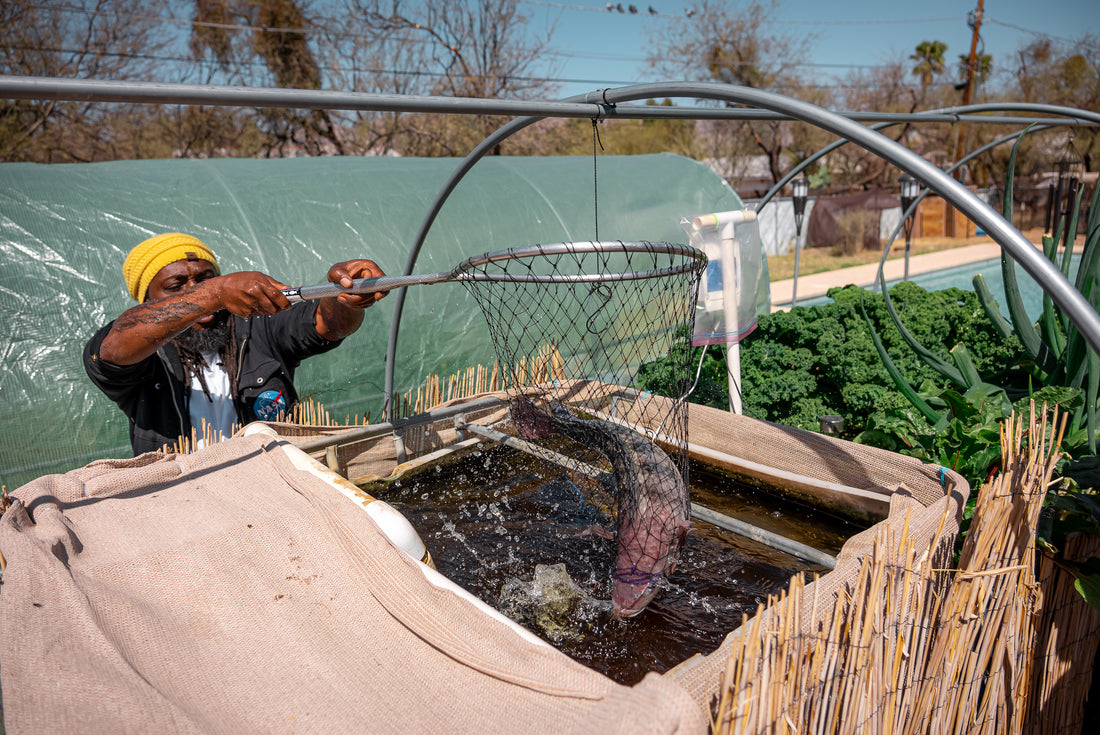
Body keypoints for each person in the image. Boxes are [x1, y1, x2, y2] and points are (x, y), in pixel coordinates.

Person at [84, 232, 386, 455]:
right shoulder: (142, 352)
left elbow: (326, 324)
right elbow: (112, 351)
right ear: (147, 301)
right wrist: (210, 293)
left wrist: (345, 297)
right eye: (176, 286)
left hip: (273, 486)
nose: (195, 290)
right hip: (182, 501)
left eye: (206, 278)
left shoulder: (256, 325)